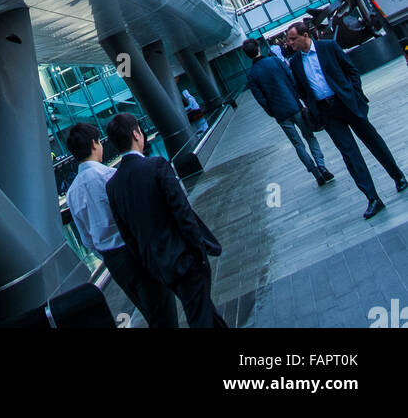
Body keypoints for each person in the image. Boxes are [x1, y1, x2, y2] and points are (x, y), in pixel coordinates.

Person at [105, 112, 228, 329]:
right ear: (136, 133)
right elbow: (182, 212)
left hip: (159, 266)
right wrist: (198, 250)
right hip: (185, 258)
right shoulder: (156, 166)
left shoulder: (113, 185)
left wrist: (149, 263)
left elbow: (127, 234)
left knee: (202, 308)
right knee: (199, 314)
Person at [285, 22, 407, 219]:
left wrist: (355, 94)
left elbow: (351, 70)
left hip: (348, 104)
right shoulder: (295, 62)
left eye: (292, 39)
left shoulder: (329, 47)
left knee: (373, 142)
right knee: (350, 154)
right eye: (288, 40)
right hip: (327, 113)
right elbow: (300, 89)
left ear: (305, 35)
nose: (289, 43)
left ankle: (398, 177)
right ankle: (372, 198)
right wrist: (314, 107)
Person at [64, 122, 166, 325]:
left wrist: (105, 252)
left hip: (113, 261)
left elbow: (86, 238)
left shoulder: (72, 193)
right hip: (135, 251)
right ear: (94, 144)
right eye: (99, 142)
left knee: (147, 310)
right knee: (162, 306)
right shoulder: (109, 176)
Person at [241, 38, 334, 187]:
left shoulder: (252, 75)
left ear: (247, 55)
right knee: (309, 136)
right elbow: (291, 78)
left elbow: (260, 99)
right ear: (258, 47)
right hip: (294, 106)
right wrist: (297, 97)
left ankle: (316, 174)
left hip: (280, 114)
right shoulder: (275, 61)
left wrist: (272, 112)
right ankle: (321, 165)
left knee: (298, 144)